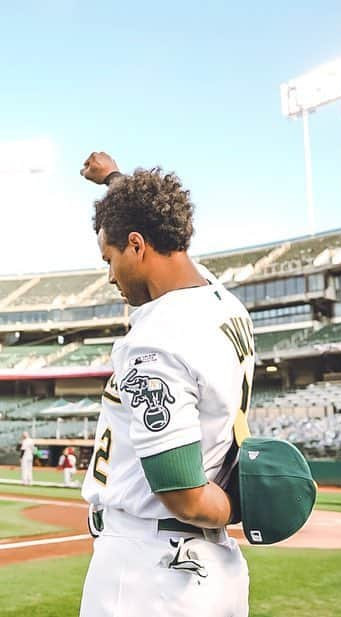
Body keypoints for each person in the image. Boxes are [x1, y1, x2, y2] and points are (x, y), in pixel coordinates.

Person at [78, 153, 252, 616]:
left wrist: (240, 507)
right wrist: (115, 180)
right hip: (204, 567)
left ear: (136, 245)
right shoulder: (221, 299)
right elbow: (154, 223)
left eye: (110, 259)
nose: (110, 274)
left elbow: (183, 495)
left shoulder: (159, 337)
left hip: (148, 571)